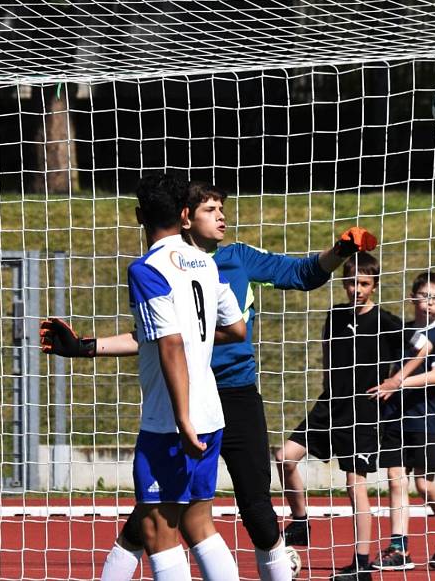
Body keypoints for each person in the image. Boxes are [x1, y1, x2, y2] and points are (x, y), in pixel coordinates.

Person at [41, 180, 377, 581]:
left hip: (221, 399)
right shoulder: (190, 266)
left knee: (248, 513)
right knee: (158, 518)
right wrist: (87, 346)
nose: (221, 215)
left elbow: (302, 274)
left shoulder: (229, 260)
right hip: (199, 402)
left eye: (222, 208)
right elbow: (158, 338)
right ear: (185, 217)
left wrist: (340, 251)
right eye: (209, 209)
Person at [126, 172, 245, 581]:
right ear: (183, 213)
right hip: (211, 414)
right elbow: (237, 327)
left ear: (139, 215)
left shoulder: (147, 269)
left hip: (172, 421)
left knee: (158, 530)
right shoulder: (205, 263)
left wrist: (181, 417)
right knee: (199, 524)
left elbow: (170, 343)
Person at [275, 252, 424, 581]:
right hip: (329, 407)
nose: (356, 289)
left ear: (374, 285)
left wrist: (396, 380)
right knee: (284, 457)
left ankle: (361, 564)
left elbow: (423, 347)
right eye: (351, 282)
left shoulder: (386, 321)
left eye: (364, 284)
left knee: (355, 485)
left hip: (363, 412)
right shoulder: (335, 315)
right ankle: (300, 521)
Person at [368, 271, 435, 572]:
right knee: (395, 482)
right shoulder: (402, 332)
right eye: (424, 296)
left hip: (425, 420)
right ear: (413, 297)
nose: (429, 303)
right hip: (394, 418)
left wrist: (398, 383)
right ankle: (399, 548)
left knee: (423, 484)